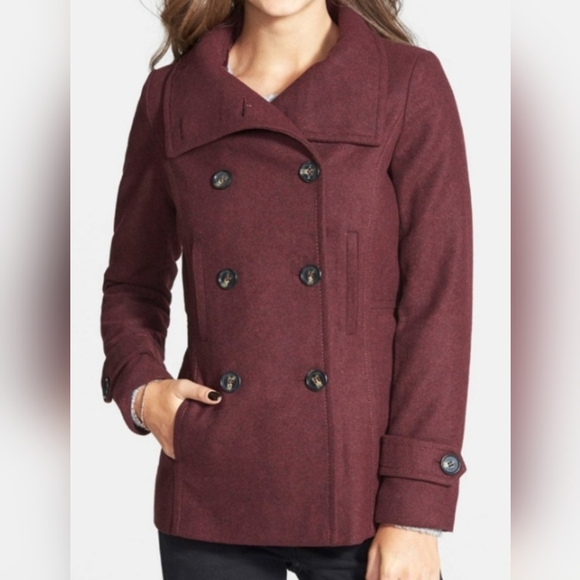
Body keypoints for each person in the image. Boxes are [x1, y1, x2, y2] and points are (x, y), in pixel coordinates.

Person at [99, 0, 473, 578]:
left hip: (363, 501)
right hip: (210, 496)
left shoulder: (404, 82)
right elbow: (132, 282)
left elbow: (438, 305)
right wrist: (143, 392)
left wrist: (415, 513)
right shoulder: (173, 96)